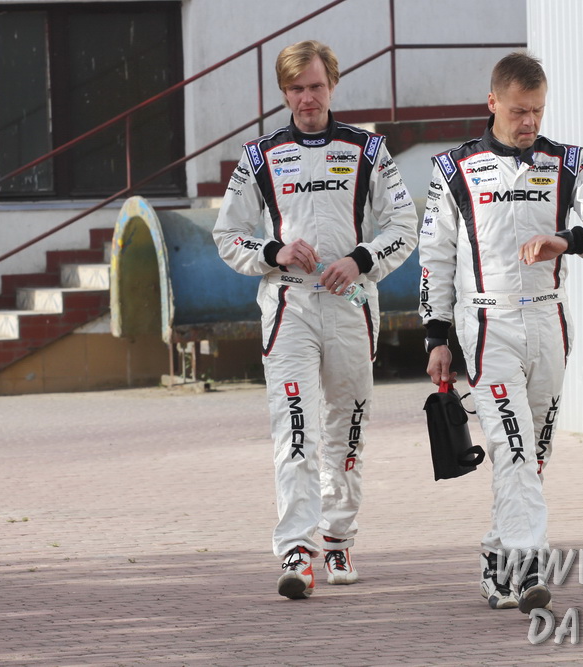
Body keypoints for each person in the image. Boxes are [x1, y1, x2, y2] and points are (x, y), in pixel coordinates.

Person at [418, 52, 583, 614]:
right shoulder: (452, 168)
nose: (529, 122)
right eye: (518, 111)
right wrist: (436, 336)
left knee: (533, 454)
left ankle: (498, 556)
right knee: (511, 449)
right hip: (487, 325)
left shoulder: (566, 162)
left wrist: (569, 240)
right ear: (492, 103)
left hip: (549, 320)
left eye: (537, 110)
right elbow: (435, 256)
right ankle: (529, 563)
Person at [213, 40, 418, 600]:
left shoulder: (368, 149)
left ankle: (338, 537)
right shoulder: (260, 156)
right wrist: (274, 251)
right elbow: (227, 235)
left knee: (346, 430)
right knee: (295, 429)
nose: (308, 98)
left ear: (333, 85)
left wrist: (360, 261)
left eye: (317, 86)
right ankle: (296, 551)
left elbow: (404, 224)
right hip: (290, 307)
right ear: (284, 93)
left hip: (352, 303)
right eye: (297, 88)